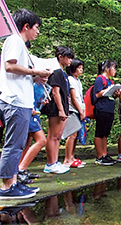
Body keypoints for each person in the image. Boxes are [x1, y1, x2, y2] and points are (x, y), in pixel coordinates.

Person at [0, 8, 51, 199]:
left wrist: (37, 78)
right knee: (13, 145)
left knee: (18, 144)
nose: (38, 32)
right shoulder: (15, 40)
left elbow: (15, 72)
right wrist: (34, 72)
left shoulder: (19, 44)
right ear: (26, 26)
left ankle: (12, 182)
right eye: (36, 27)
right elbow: (9, 66)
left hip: (21, 101)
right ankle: (6, 187)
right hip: (15, 101)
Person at [42, 46, 75, 174]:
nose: (70, 60)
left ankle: (55, 162)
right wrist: (61, 110)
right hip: (56, 108)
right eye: (68, 57)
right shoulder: (56, 72)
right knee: (53, 136)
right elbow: (55, 92)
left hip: (63, 107)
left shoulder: (63, 73)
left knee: (58, 136)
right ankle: (50, 163)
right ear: (60, 57)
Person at [93, 60, 120, 166]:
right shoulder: (100, 79)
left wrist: (115, 93)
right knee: (99, 133)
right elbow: (97, 94)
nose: (115, 71)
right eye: (113, 68)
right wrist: (109, 90)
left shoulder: (110, 81)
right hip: (101, 109)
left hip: (109, 109)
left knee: (105, 133)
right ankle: (99, 156)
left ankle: (105, 154)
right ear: (107, 68)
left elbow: (110, 95)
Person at [64, 58, 86, 168]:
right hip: (72, 109)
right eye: (79, 68)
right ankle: (67, 159)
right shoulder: (70, 80)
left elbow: (80, 98)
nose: (81, 70)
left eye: (82, 68)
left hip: (79, 109)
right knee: (71, 135)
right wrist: (80, 111)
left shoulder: (78, 81)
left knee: (76, 134)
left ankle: (72, 157)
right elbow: (73, 98)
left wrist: (83, 110)